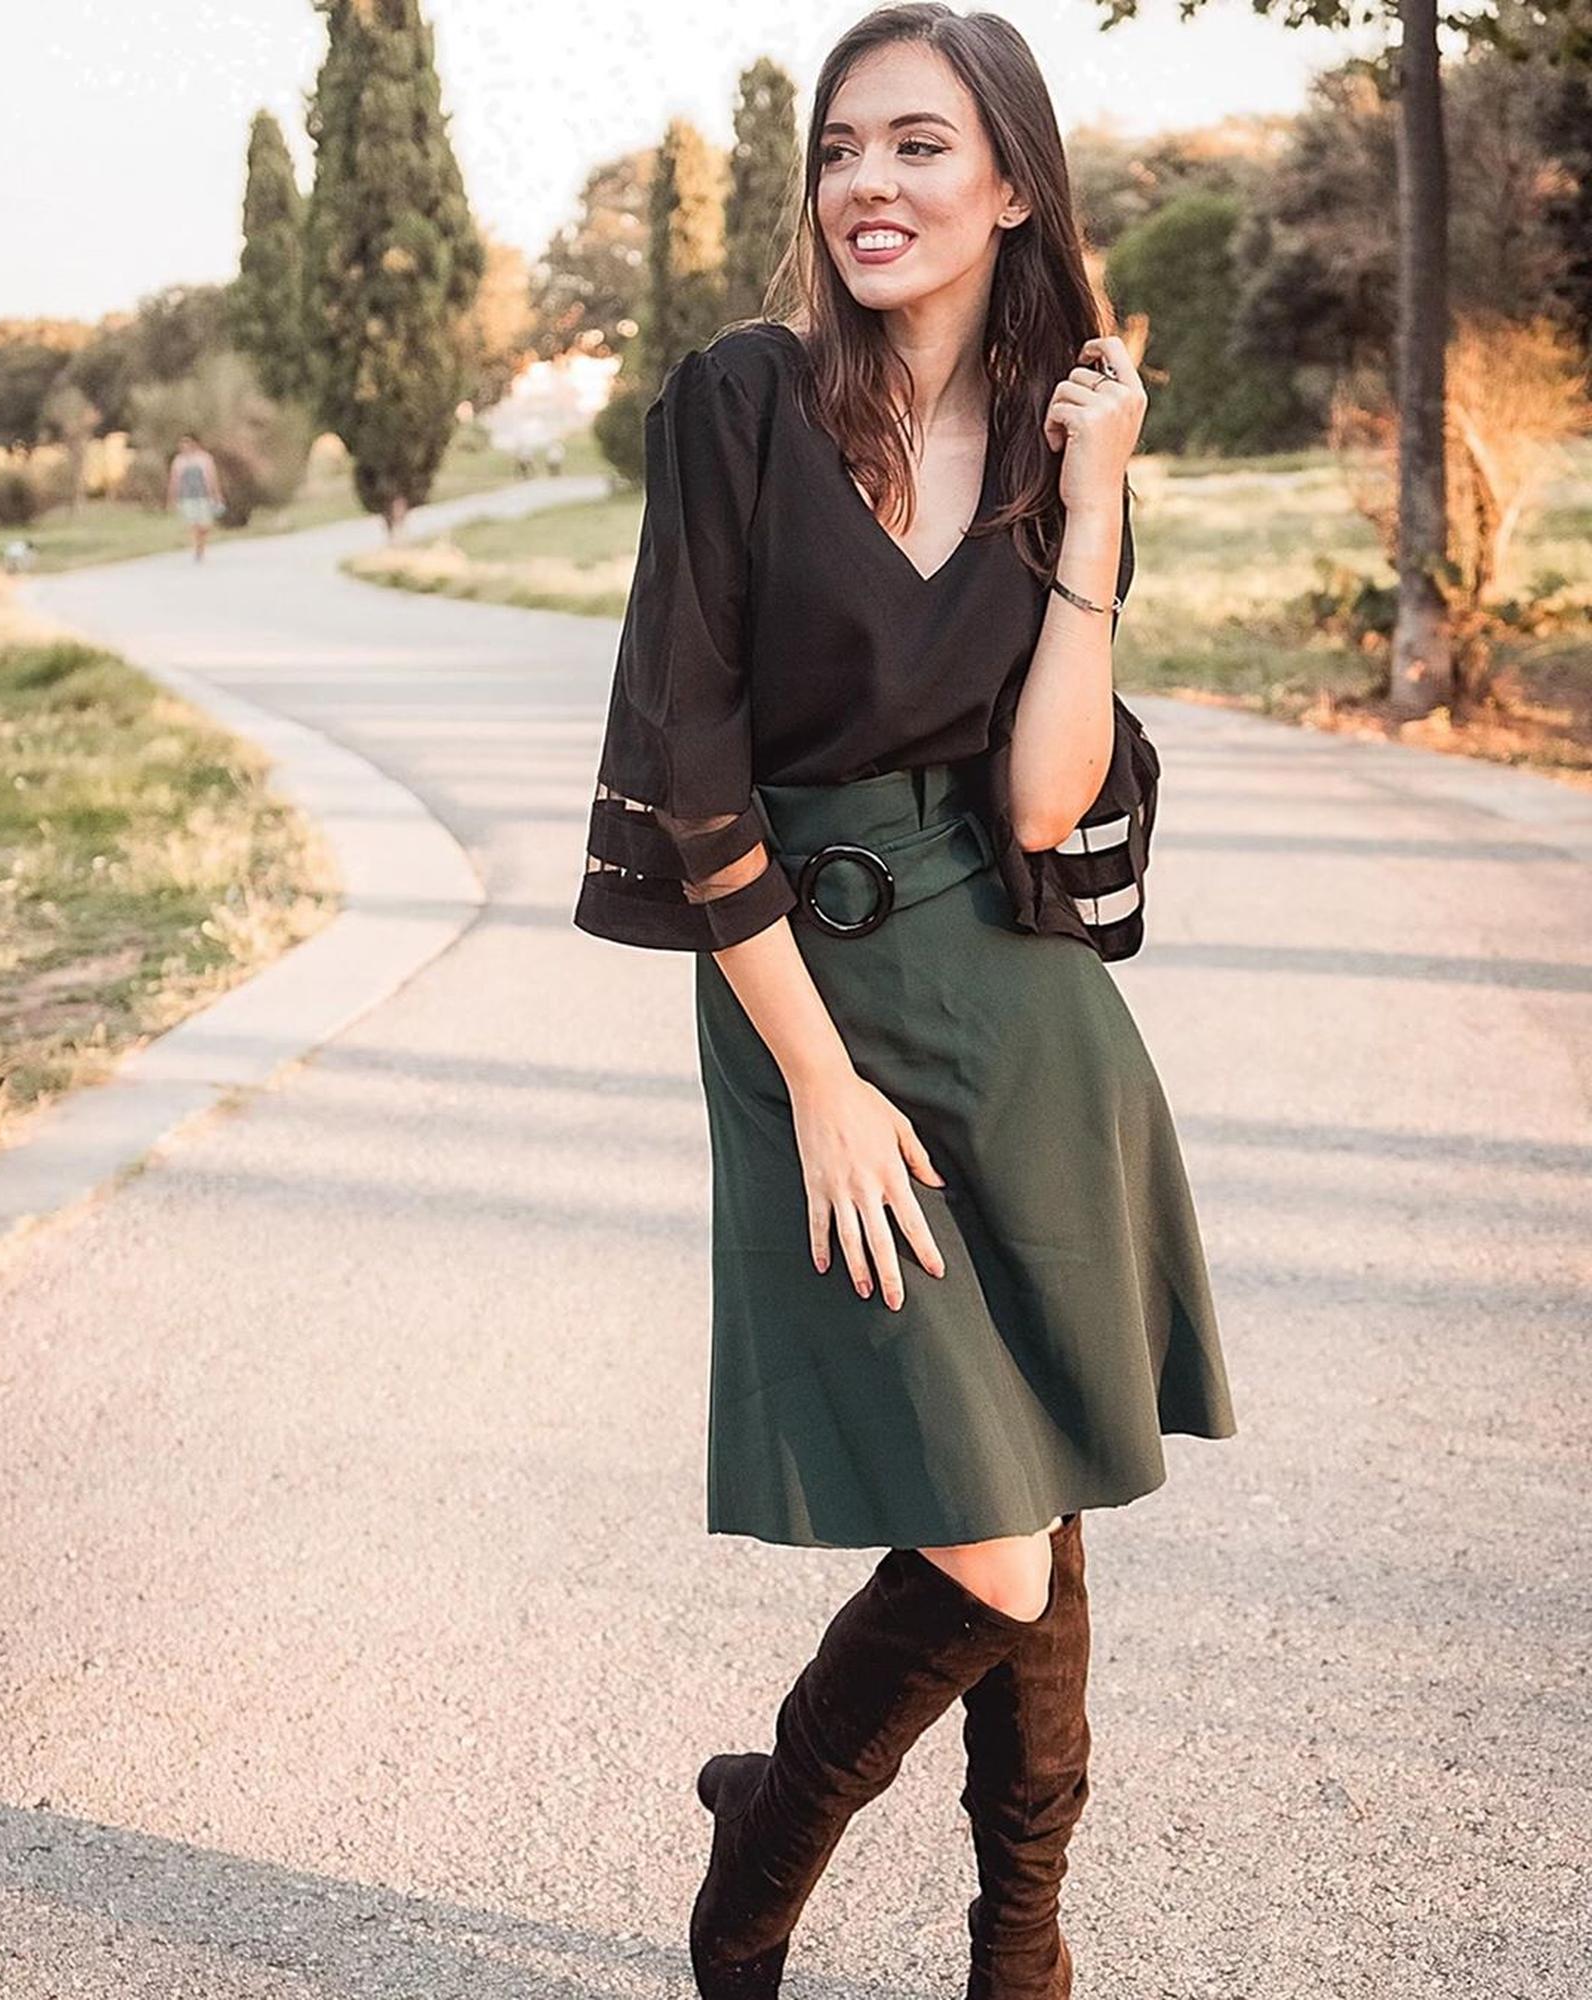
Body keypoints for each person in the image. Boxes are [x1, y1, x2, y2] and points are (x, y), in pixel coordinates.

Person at [571, 6, 1238, 1994]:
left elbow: (1043, 797)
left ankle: (1019, 1944)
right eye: (841, 147)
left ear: (1012, 183)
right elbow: (692, 767)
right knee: (990, 1529)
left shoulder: (1060, 432)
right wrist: (819, 1084)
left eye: (918, 145)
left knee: (1031, 1474)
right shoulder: (740, 400)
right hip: (799, 982)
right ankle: (765, 1846)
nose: (867, 182)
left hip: (1014, 993)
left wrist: (1094, 504)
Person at [165, 431, 225, 562]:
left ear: (194, 444)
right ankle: (198, 548)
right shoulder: (178, 461)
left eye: (187, 443)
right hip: (186, 496)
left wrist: (217, 494)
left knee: (205, 525)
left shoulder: (205, 458)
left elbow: (212, 477)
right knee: (193, 523)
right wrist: (172, 497)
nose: (184, 446)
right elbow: (174, 480)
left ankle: (201, 543)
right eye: (182, 444)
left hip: (204, 495)